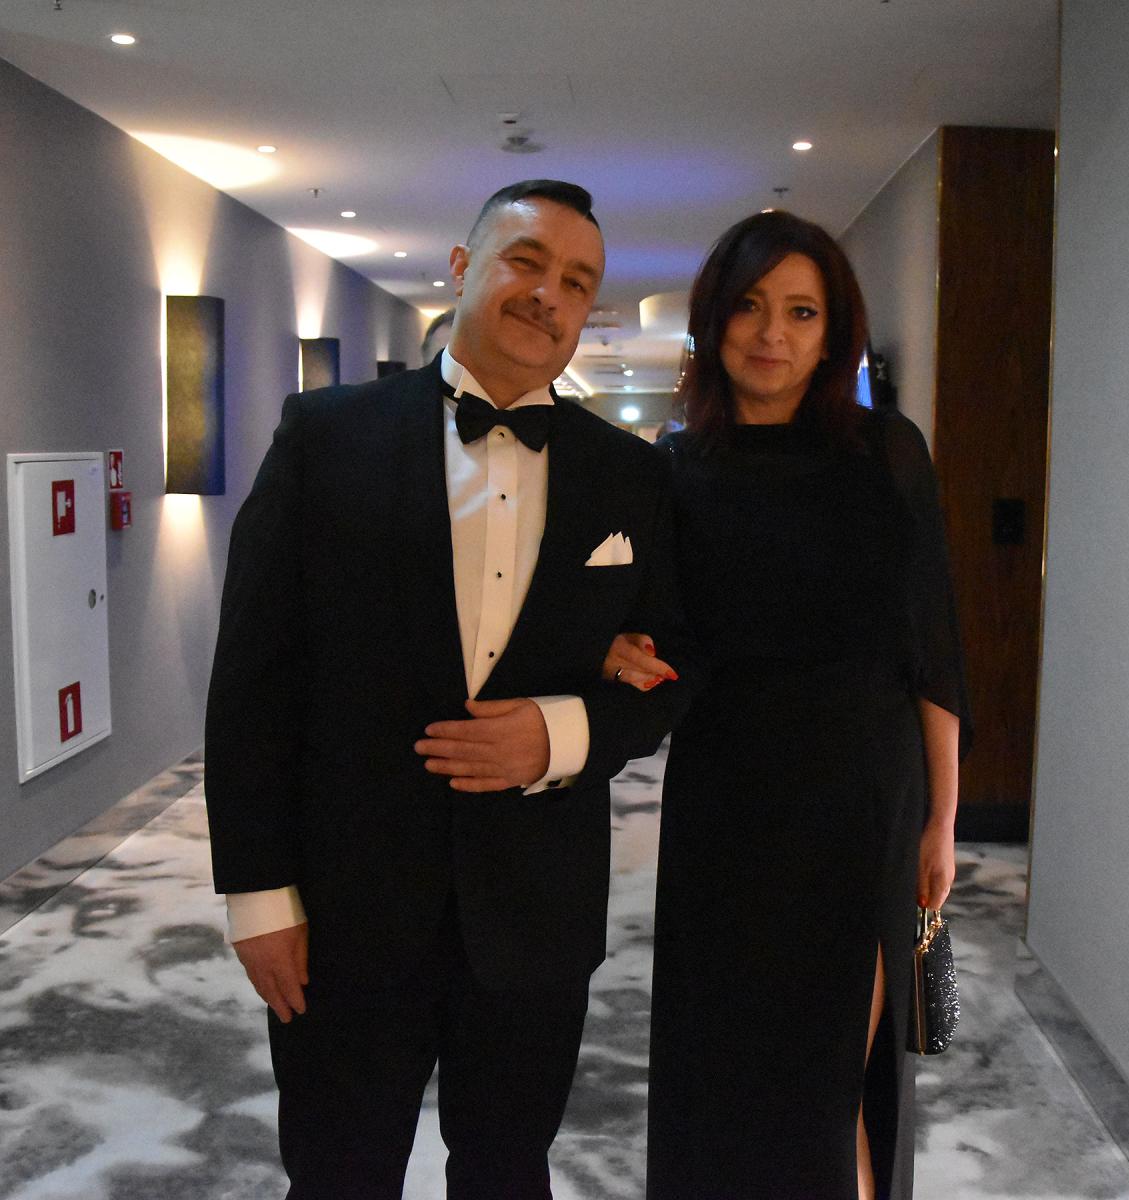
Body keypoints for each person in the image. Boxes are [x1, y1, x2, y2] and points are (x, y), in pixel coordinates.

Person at [205, 179, 697, 1200]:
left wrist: (560, 733)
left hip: (536, 914)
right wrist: (257, 896)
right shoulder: (324, 435)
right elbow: (253, 683)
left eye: (577, 282)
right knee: (337, 1175)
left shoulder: (632, 476)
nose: (548, 294)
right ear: (464, 267)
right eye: (526, 261)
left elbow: (671, 673)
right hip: (347, 906)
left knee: (508, 1172)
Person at [603, 210, 971, 1200]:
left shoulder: (887, 452)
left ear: (833, 331)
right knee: (723, 1069)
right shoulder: (675, 467)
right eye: (751, 306)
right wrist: (617, 654)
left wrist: (942, 818)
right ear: (714, 320)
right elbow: (660, 641)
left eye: (801, 312)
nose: (773, 333)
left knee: (829, 1078)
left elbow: (932, 648)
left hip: (861, 799)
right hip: (725, 803)